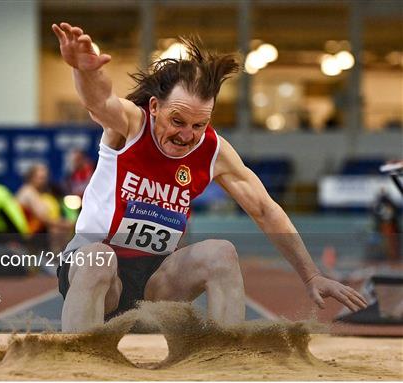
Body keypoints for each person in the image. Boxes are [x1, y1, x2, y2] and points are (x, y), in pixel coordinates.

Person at [52, 22, 367, 332]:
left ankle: (223, 359)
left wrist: (311, 276)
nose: (187, 135)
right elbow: (99, 101)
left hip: (154, 279)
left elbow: (265, 210)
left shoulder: (214, 150)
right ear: (154, 107)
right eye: (178, 121)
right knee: (100, 258)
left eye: (199, 125)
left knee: (221, 253)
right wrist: (84, 71)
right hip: (96, 272)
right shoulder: (132, 125)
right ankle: (79, 363)